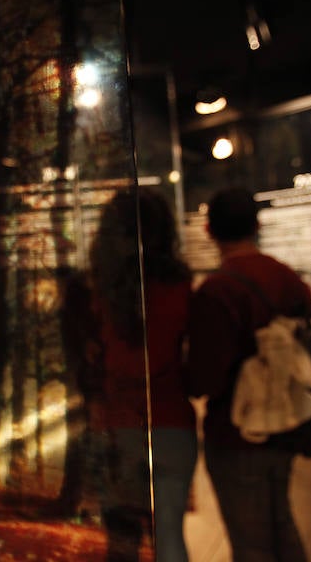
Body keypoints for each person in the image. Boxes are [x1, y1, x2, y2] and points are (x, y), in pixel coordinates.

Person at [67, 187, 197, 562]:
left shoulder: (92, 288)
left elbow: (84, 366)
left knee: (122, 541)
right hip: (172, 422)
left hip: (114, 425)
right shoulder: (180, 283)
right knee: (170, 537)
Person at [185, 187, 311, 562]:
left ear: (209, 230)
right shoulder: (288, 279)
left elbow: (205, 378)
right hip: (287, 422)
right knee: (281, 522)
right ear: (256, 225)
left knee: (250, 542)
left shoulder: (218, 290)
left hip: (237, 429)